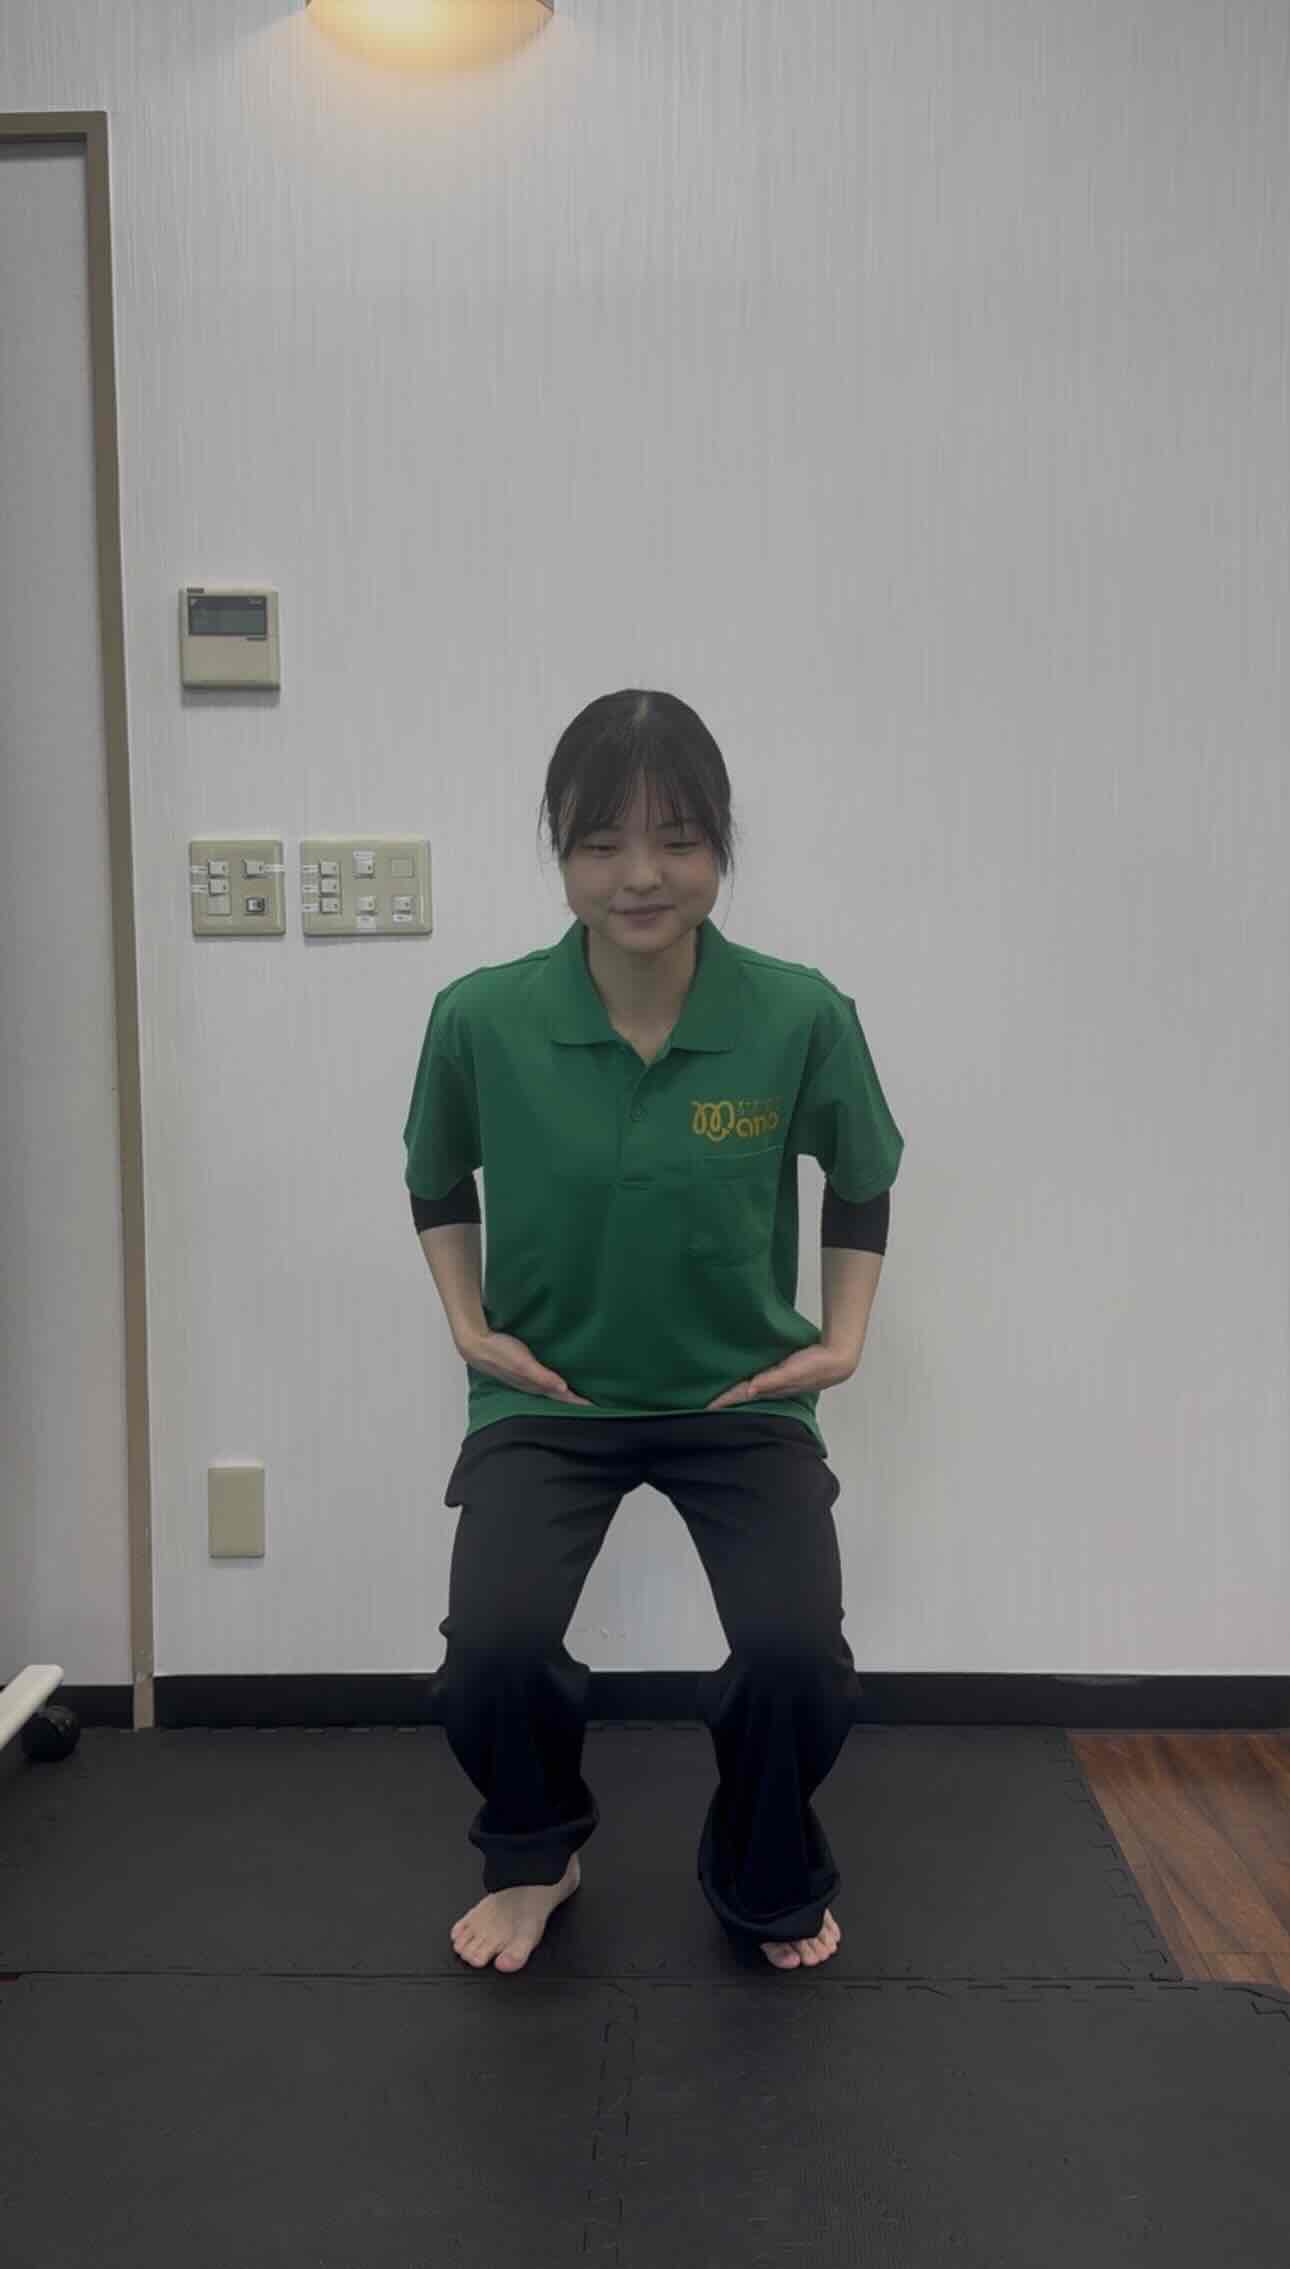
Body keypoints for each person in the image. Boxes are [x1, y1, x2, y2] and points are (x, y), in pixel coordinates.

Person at [403, 689, 902, 1972]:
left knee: (798, 1659)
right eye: (601, 843)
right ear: (560, 852)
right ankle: (535, 1849)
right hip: (548, 1400)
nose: (640, 875)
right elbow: (435, 1178)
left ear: (719, 846)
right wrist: (469, 1326)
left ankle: (763, 1861)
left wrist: (841, 1340)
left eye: (677, 839)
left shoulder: (798, 1014)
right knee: (492, 1654)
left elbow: (862, 1177)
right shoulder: (480, 1018)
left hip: (738, 1398)